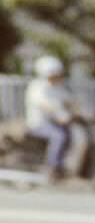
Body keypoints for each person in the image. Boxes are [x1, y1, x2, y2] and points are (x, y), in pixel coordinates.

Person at [25, 55, 75, 183]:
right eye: (54, 74)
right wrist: (60, 113)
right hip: (38, 124)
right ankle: (53, 167)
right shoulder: (37, 86)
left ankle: (64, 165)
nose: (57, 77)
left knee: (69, 134)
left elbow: (70, 101)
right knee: (58, 136)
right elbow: (43, 104)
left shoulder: (58, 87)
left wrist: (82, 112)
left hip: (55, 122)